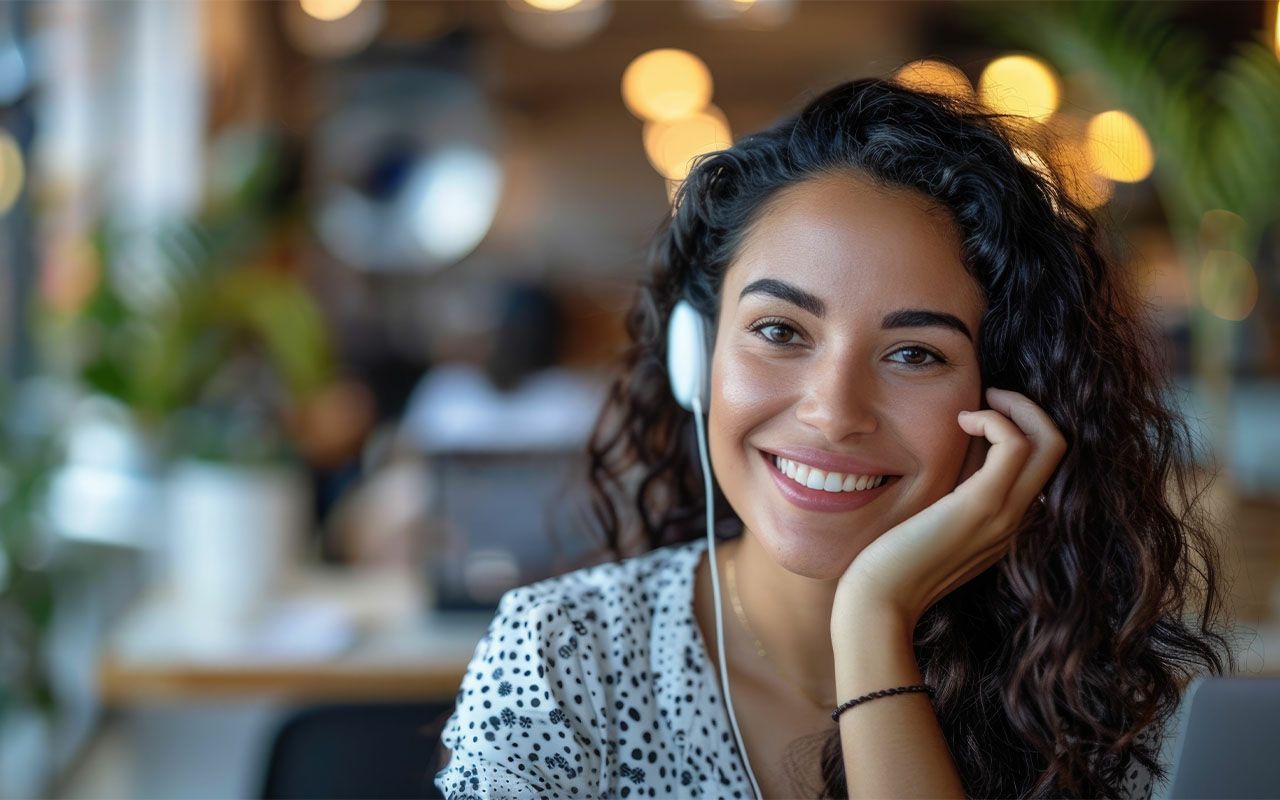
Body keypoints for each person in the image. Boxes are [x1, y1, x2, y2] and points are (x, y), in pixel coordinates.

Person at [432, 77, 1238, 799]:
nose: (833, 411)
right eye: (780, 330)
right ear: (698, 355)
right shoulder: (564, 655)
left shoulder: (1092, 696)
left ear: (1008, 400)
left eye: (915, 353)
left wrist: (872, 621)